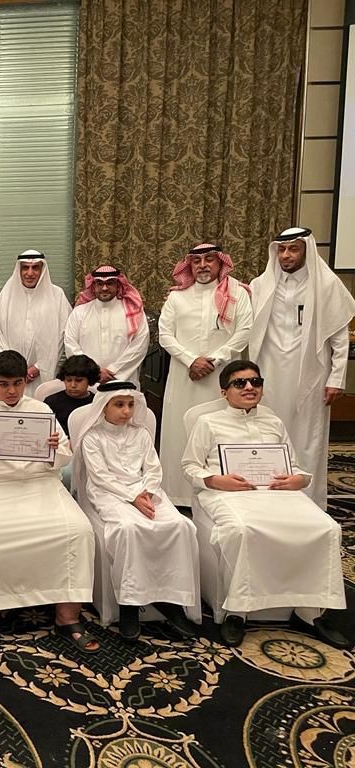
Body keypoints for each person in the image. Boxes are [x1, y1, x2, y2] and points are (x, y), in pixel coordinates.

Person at [181, 360, 349, 648]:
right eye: (240, 383)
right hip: (227, 493)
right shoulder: (207, 423)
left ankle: (310, 611)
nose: (250, 387)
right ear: (224, 392)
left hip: (277, 493)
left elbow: (294, 467)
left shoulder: (274, 422)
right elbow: (189, 466)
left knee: (326, 527)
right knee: (242, 531)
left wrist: (299, 479)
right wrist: (215, 480)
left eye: (256, 382)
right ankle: (237, 611)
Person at [0, 350, 96, 656]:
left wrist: (55, 448)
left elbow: (63, 457)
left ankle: (67, 616)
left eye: (17, 383)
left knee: (78, 529)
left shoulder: (41, 411)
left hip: (37, 482)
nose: (12, 391)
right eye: (4, 384)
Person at [74, 381, 201, 640]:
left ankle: (172, 602)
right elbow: (100, 477)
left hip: (146, 491)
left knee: (180, 526)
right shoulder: (92, 437)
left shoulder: (141, 433)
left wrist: (147, 492)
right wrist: (132, 498)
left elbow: (153, 468)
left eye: (130, 405)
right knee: (128, 529)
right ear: (104, 407)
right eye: (119, 405)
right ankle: (129, 604)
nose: (126, 411)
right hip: (109, 494)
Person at [248, 227, 355, 510]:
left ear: (307, 250)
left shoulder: (326, 285)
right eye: (282, 249)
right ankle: (269, 497)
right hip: (269, 370)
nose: (286, 255)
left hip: (311, 372)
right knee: (268, 432)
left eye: (293, 249)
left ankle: (308, 503)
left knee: (308, 437)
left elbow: (339, 337)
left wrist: (336, 378)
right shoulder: (261, 285)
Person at [158, 244, 252, 506]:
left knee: (219, 431)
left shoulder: (237, 293)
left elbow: (244, 331)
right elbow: (164, 335)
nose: (202, 265)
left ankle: (220, 488)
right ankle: (177, 494)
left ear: (220, 263)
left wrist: (213, 360)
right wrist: (191, 360)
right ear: (189, 265)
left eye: (209, 259)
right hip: (183, 375)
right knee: (179, 432)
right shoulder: (177, 297)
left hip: (221, 376)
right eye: (196, 260)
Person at [0, 250, 71, 396]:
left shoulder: (57, 295)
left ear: (42, 270)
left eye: (35, 268)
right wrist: (13, 367)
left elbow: (61, 337)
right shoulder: (6, 295)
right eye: (25, 268)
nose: (30, 273)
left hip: (43, 373)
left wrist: (39, 367)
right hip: (11, 374)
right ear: (19, 270)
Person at [65, 265, 149, 385]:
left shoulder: (133, 311)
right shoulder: (79, 312)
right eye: (99, 284)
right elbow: (71, 344)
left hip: (123, 381)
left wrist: (114, 370)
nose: (104, 288)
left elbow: (139, 345)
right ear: (93, 286)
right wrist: (94, 371)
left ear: (118, 285)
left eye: (110, 283)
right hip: (88, 382)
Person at [43, 354, 99, 435]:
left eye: (78, 380)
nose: (73, 385)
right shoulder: (51, 402)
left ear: (90, 380)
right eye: (68, 380)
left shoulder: (96, 403)